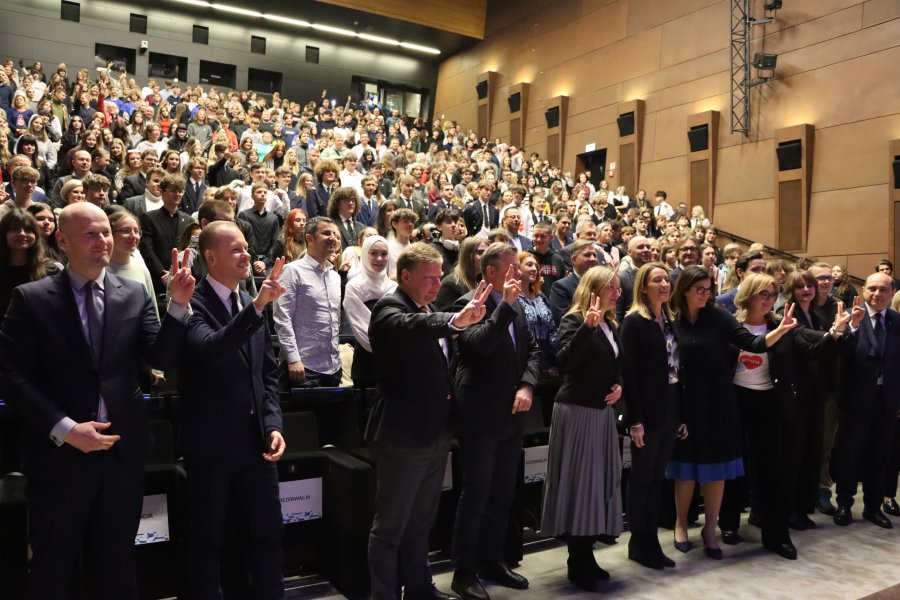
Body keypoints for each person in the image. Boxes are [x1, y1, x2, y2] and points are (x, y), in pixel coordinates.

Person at [0, 202, 194, 599]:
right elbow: (12, 377)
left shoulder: (135, 293)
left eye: (106, 232)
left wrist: (177, 305)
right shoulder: (31, 298)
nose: (103, 240)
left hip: (119, 453)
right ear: (62, 240)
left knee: (118, 560)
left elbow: (159, 359)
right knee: (54, 562)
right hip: (58, 457)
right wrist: (66, 429)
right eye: (90, 233)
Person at [366, 242, 491, 600]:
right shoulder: (390, 308)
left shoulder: (428, 307)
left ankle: (419, 588)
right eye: (429, 278)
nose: (437, 285)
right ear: (405, 276)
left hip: (435, 432)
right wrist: (453, 321)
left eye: (440, 277)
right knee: (390, 528)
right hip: (402, 436)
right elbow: (411, 326)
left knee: (421, 522)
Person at [178, 223, 287, 598]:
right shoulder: (190, 301)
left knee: (268, 533)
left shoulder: (249, 301)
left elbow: (267, 373)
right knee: (208, 539)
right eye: (237, 249)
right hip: (210, 446)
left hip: (256, 442)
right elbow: (210, 349)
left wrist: (273, 423)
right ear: (210, 257)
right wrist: (257, 307)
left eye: (247, 248)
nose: (247, 255)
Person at [717, 273, 849, 560]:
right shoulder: (731, 325)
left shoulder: (783, 325)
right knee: (734, 466)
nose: (767, 299)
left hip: (770, 403)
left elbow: (814, 349)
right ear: (748, 295)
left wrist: (836, 332)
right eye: (762, 293)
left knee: (773, 472)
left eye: (771, 294)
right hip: (735, 402)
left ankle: (776, 534)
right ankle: (728, 524)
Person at [668, 265, 797, 559]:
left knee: (723, 465)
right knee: (686, 467)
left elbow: (752, 343)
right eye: (699, 289)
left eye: (709, 289)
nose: (705, 294)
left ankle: (713, 530)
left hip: (720, 400)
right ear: (684, 290)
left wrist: (779, 330)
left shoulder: (720, 318)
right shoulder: (673, 321)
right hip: (688, 401)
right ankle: (682, 524)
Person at [450, 242, 541, 600]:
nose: (518, 273)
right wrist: (504, 306)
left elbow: (532, 350)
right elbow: (478, 346)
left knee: (502, 496)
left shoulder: (514, 305)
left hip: (511, 417)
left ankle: (492, 560)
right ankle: (464, 573)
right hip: (480, 416)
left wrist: (528, 384)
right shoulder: (468, 305)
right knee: (476, 495)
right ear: (490, 272)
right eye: (512, 267)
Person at [541, 266, 624, 591]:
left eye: (618, 288)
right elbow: (566, 363)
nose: (617, 293)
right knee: (580, 486)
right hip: (576, 412)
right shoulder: (575, 319)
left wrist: (619, 386)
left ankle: (587, 556)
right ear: (594, 288)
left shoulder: (611, 323)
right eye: (611, 288)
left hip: (601, 413)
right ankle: (577, 561)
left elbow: (616, 366)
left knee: (597, 482)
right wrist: (587, 328)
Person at [620, 262, 686, 571]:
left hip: (670, 407)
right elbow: (629, 376)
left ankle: (648, 542)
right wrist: (635, 420)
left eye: (666, 279)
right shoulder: (634, 321)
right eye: (656, 279)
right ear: (643, 287)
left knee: (657, 478)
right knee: (642, 480)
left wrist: (681, 415)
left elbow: (677, 370)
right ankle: (641, 542)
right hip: (646, 412)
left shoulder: (671, 319)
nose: (664, 284)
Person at [832, 273, 900, 528]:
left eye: (883, 290)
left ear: (892, 292)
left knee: (880, 454)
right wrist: (850, 327)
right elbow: (838, 351)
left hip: (887, 400)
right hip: (855, 399)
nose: (877, 294)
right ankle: (844, 504)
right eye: (872, 289)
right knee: (849, 454)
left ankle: (873, 507)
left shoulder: (896, 321)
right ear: (863, 289)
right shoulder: (850, 316)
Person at [274, 216, 342, 388]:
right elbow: (282, 318)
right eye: (326, 233)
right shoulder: (292, 271)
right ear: (309, 238)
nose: (333, 238)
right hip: (302, 368)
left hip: (333, 368)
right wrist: (293, 358)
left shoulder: (335, 276)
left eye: (335, 234)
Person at [343, 235, 396, 389]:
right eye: (373, 253)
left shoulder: (394, 288)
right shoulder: (354, 286)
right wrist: (387, 349)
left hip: (393, 362)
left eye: (384, 254)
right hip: (367, 362)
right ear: (365, 254)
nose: (379, 259)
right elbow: (361, 327)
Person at [139, 174, 196, 294]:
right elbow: (147, 248)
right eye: (174, 191)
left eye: (180, 191)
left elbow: (190, 249)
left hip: (182, 275)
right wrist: (161, 273)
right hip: (158, 278)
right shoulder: (149, 218)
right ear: (162, 191)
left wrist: (179, 271)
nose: (178, 194)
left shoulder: (189, 220)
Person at [516, 251, 558, 373]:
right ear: (517, 268)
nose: (534, 269)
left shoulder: (540, 296)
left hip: (547, 364)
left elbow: (552, 330)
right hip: (524, 364)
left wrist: (556, 361)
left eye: (536, 266)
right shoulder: (512, 298)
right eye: (529, 265)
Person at [549, 239, 597, 324]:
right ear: (574, 260)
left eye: (594, 255)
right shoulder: (561, 287)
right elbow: (563, 320)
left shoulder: (600, 284)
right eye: (587, 255)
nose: (593, 259)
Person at [435, 236, 487, 311]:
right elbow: (446, 318)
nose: (486, 257)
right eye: (480, 253)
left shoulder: (480, 280)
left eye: (487, 253)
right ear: (467, 256)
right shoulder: (450, 284)